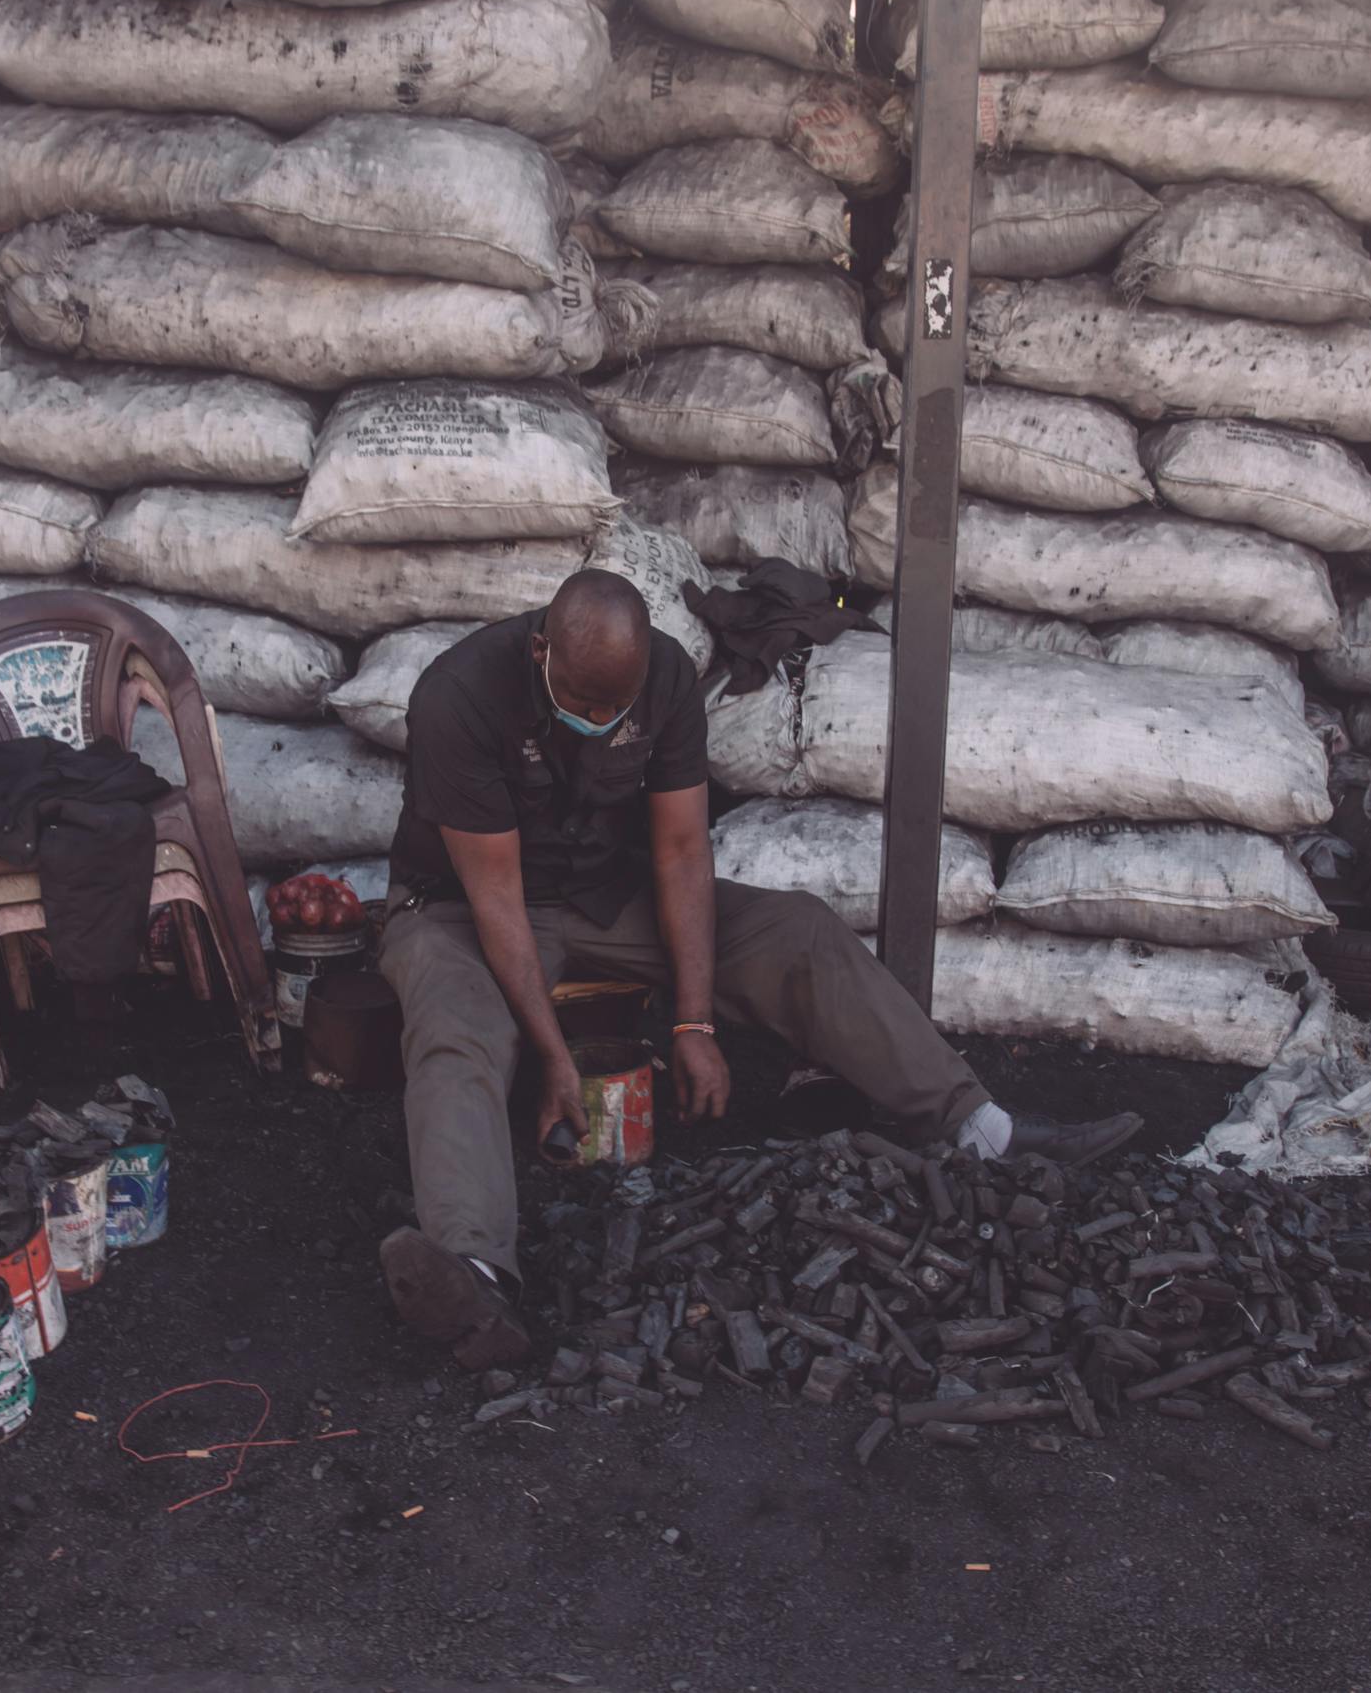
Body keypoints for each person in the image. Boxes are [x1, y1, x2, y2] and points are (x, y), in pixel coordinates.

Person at [373, 569, 1144, 1368]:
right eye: (585, 706)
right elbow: (497, 898)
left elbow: (679, 850)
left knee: (797, 930)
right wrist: (555, 1059)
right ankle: (475, 1276)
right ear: (540, 650)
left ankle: (980, 1127)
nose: (602, 725)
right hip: (461, 906)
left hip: (604, 892)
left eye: (618, 711)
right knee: (457, 1023)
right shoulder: (458, 695)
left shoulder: (666, 674)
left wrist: (696, 1022)